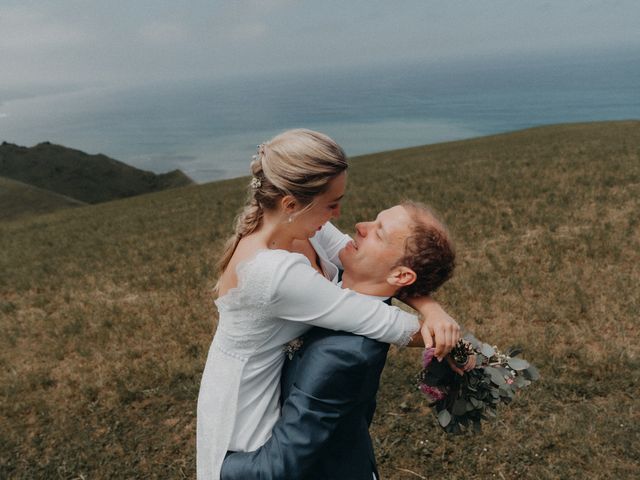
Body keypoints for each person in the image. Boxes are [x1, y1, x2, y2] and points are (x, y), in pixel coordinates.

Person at [197, 130, 460, 479]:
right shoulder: (276, 272)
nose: (340, 214)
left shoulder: (303, 229)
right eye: (332, 203)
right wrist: (453, 343)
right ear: (291, 204)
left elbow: (376, 269)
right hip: (247, 406)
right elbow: (380, 321)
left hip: (283, 390)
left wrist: (431, 307)